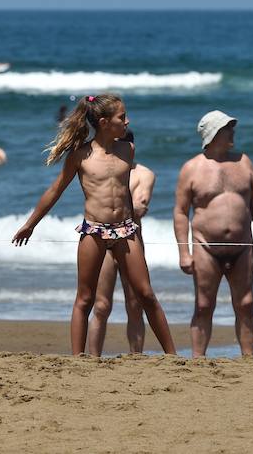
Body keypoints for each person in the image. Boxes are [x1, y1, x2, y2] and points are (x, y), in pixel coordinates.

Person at [12, 94, 176, 356]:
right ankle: (78, 358)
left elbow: (123, 192)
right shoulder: (81, 155)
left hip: (125, 230)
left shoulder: (128, 149)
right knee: (85, 298)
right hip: (94, 230)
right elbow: (55, 190)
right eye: (122, 117)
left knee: (146, 294)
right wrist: (30, 224)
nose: (127, 121)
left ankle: (172, 356)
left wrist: (134, 221)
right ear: (104, 122)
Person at [173, 110, 253, 357]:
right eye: (227, 128)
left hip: (242, 247)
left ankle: (248, 359)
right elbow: (180, 212)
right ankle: (198, 360)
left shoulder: (244, 162)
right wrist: (184, 253)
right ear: (213, 134)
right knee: (203, 305)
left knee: (246, 304)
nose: (232, 132)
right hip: (206, 247)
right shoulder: (191, 168)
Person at [86, 131, 155, 356]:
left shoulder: (143, 173)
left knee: (135, 305)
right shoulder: (100, 168)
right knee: (101, 306)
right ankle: (92, 358)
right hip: (103, 241)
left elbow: (140, 208)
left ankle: (136, 356)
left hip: (130, 241)